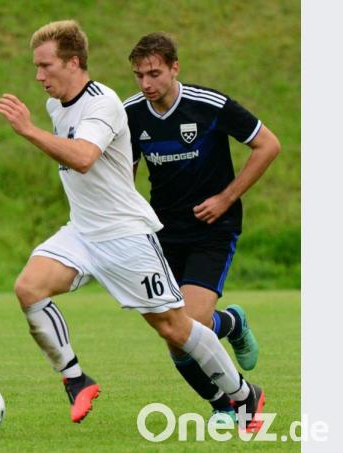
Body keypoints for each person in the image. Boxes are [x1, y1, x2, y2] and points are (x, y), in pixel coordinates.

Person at [0, 20, 265, 432]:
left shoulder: (103, 103)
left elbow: (83, 158)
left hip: (124, 236)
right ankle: (76, 380)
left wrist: (28, 130)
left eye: (45, 65)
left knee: (176, 327)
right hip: (82, 231)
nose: (38, 76)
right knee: (28, 288)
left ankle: (244, 395)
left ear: (73, 62)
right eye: (36, 66)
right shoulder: (56, 107)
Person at [124, 32, 280, 421]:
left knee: (190, 323)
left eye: (154, 74)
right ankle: (221, 400)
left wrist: (226, 198)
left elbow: (268, 145)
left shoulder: (208, 104)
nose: (146, 83)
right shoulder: (130, 113)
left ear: (175, 68)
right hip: (163, 234)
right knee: (173, 334)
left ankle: (231, 337)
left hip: (213, 229)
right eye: (139, 75)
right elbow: (124, 175)